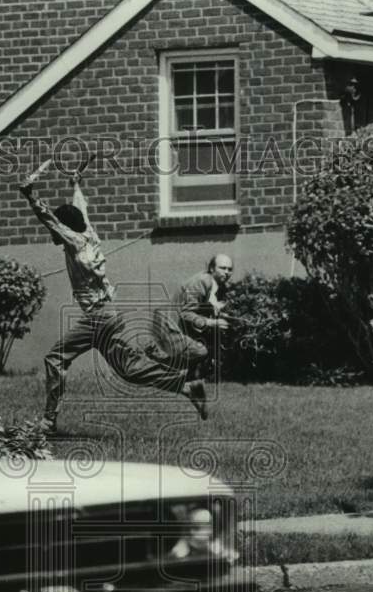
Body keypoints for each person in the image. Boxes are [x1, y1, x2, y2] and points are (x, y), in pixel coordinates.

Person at [17, 165, 208, 432]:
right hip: (109, 314)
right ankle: (186, 387)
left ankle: (48, 421)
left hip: (98, 317)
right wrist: (76, 184)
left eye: (57, 232)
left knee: (55, 358)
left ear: (65, 228)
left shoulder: (74, 243)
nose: (53, 236)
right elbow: (80, 209)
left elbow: (50, 220)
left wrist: (30, 195)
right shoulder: (89, 234)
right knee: (128, 368)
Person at [152, 254, 234, 384]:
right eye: (222, 268)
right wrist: (212, 322)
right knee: (200, 351)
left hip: (178, 325)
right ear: (212, 269)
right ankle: (157, 363)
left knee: (206, 344)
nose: (227, 272)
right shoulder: (201, 282)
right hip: (168, 326)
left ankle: (187, 375)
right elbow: (186, 313)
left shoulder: (217, 285)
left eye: (230, 269)